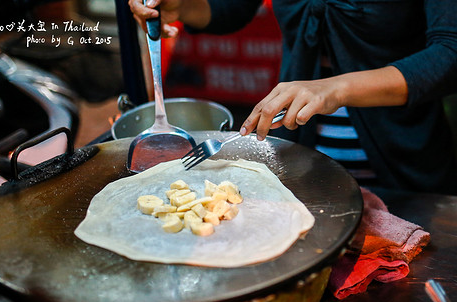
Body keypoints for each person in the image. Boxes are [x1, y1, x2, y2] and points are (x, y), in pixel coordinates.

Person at [128, 0, 457, 195]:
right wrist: (181, 6)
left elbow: (450, 52)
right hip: (300, 156)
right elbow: (232, 8)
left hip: (406, 164)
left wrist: (334, 88)